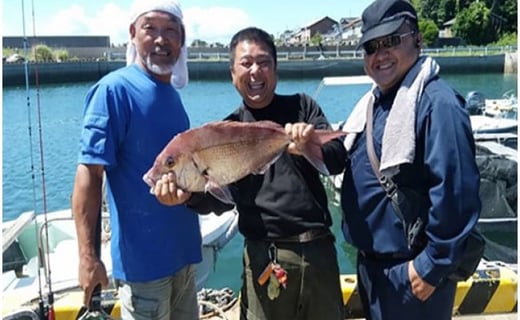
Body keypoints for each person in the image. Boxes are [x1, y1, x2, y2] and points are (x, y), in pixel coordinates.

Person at [155, 27, 347, 320]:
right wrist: (185, 198)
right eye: (245, 63)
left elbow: (337, 161)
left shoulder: (302, 107)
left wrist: (310, 143)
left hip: (318, 249)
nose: (255, 71)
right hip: (264, 256)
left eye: (263, 62)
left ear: (276, 68)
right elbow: (221, 202)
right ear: (232, 72)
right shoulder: (223, 131)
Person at [339, 0, 481, 319]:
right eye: (371, 47)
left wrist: (432, 266)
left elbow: (456, 194)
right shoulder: (375, 102)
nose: (380, 54)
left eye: (391, 41)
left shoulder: (436, 103)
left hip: (410, 272)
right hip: (373, 268)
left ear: (418, 39)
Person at [72, 1, 205, 319]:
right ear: (133, 34)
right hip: (144, 269)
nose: (162, 39)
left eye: (171, 30)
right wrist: (88, 258)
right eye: (151, 29)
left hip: (184, 256)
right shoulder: (114, 90)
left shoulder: (171, 94)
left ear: (182, 39)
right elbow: (89, 175)